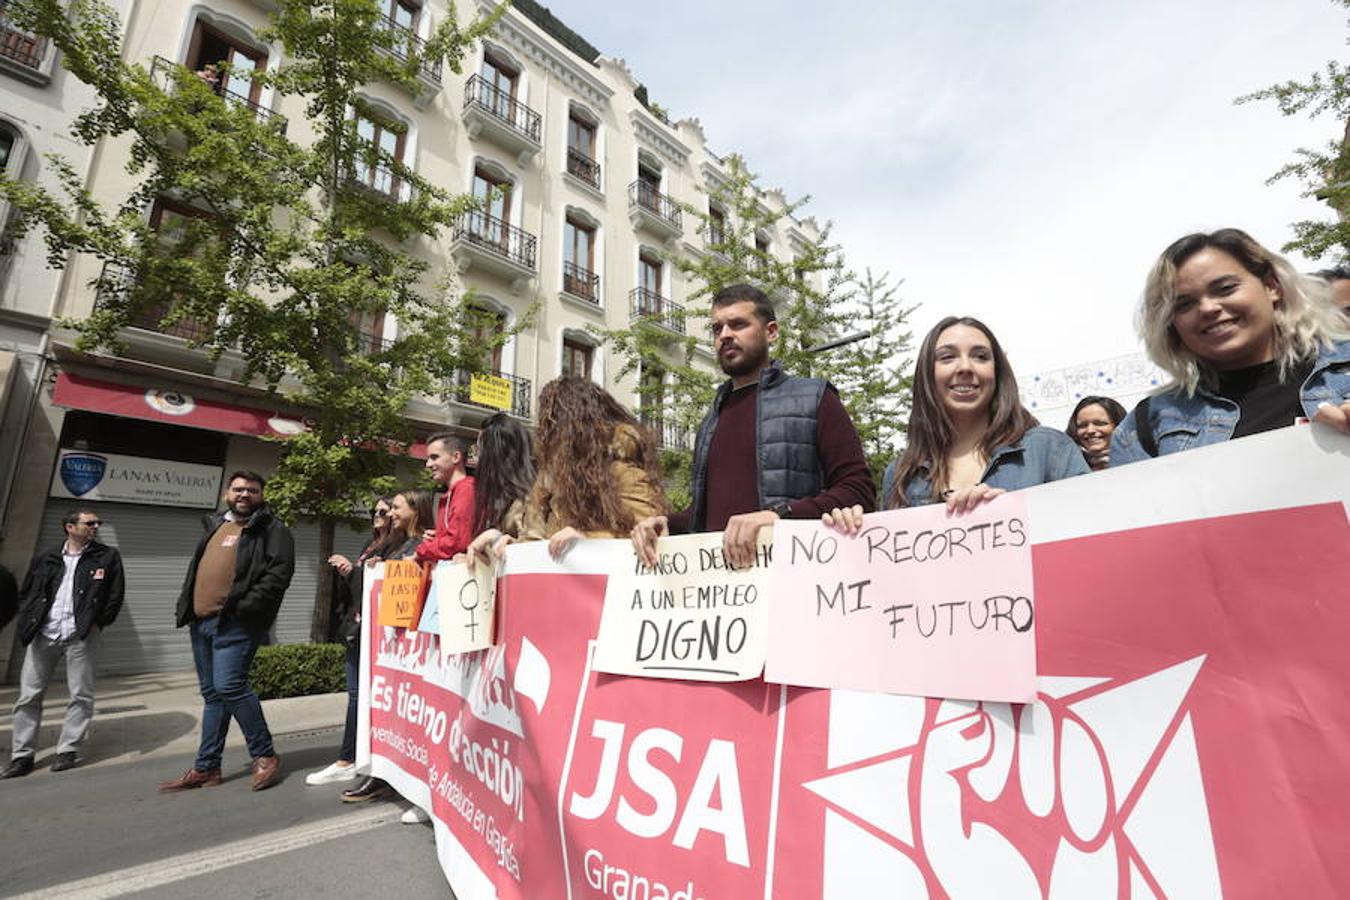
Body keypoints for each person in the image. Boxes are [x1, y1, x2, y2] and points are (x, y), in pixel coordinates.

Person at [630, 283, 875, 569]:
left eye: (738, 324)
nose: (725, 335)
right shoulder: (711, 420)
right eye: (717, 328)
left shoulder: (816, 398)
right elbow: (710, 515)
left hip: (793, 580)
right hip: (724, 595)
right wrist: (668, 522)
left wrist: (777, 517)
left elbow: (858, 491)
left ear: (771, 332)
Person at [1112, 229, 1350, 464]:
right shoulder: (1145, 427)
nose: (1207, 308)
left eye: (1225, 288)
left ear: (1272, 286)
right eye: (1184, 304)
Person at [160, 471, 295, 793]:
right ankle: (207, 767)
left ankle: (264, 754)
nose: (244, 494)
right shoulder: (215, 525)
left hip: (236, 623)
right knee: (213, 696)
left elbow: (278, 576)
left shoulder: (273, 530)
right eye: (238, 489)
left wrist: (245, 608)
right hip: (202, 622)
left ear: (262, 495)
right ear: (226, 494)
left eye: (252, 490)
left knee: (230, 686)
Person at [475, 376, 666, 564]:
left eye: (554, 424)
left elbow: (653, 540)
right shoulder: (549, 482)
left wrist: (588, 540)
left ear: (578, 428)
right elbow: (543, 545)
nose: (547, 434)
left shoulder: (623, 473)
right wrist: (508, 546)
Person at [2, 510, 124, 778]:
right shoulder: (47, 556)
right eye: (89, 523)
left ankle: (68, 749)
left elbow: (115, 596)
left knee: (80, 694)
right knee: (28, 696)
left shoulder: (107, 556)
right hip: (45, 634)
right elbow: (29, 592)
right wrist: (30, 621)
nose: (95, 526)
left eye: (97, 523)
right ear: (70, 527)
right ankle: (22, 756)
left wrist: (96, 623)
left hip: (82, 635)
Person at [341, 488, 434, 812]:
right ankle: (384, 774)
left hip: (411, 644)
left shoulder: (426, 543)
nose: (389, 514)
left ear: (416, 509)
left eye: (395, 508)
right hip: (389, 642)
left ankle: (414, 785)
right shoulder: (396, 543)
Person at [304, 497, 392, 788]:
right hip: (357, 629)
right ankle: (354, 757)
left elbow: (378, 589)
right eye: (374, 511)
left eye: (384, 511)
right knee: (357, 697)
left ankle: (348, 760)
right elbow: (358, 591)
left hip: (374, 633)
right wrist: (349, 574)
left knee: (360, 698)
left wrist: (352, 572)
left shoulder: (393, 547)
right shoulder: (370, 544)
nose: (377, 515)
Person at [462, 413, 535, 569]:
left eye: (479, 448)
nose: (476, 456)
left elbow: (534, 553)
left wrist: (493, 536)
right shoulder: (501, 499)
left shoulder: (530, 499)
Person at [415, 433, 475, 563]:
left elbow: (457, 543)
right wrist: (436, 539)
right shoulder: (452, 493)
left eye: (434, 457)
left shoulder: (466, 490)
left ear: (456, 457)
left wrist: (421, 551)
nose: (428, 464)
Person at [1065, 395, 1127, 470]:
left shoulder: (1138, 459)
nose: (1090, 430)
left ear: (1118, 425)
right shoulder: (1066, 469)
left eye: (1100, 423)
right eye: (1083, 425)